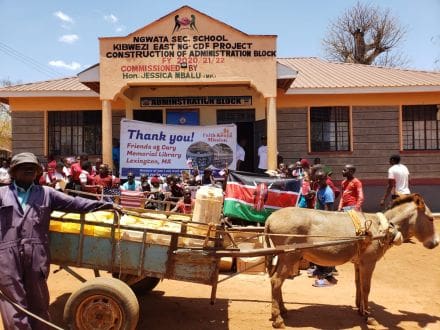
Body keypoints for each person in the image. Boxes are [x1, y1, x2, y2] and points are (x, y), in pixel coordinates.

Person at [0, 152, 117, 329]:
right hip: (7, 256)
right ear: (13, 172)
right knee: (13, 305)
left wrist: (106, 204)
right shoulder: (2, 194)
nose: (29, 170)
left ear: (37, 172)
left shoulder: (47, 193)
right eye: (23, 167)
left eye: (32, 168)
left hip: (36, 255)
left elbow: (76, 203)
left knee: (38, 302)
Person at [311, 170, 338, 287]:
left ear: (326, 178)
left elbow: (329, 212)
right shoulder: (319, 189)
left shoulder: (328, 192)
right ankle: (320, 270)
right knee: (318, 250)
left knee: (326, 251)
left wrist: (324, 227)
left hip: (325, 225)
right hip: (319, 223)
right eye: (316, 179)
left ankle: (328, 277)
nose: (318, 181)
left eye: (320, 179)